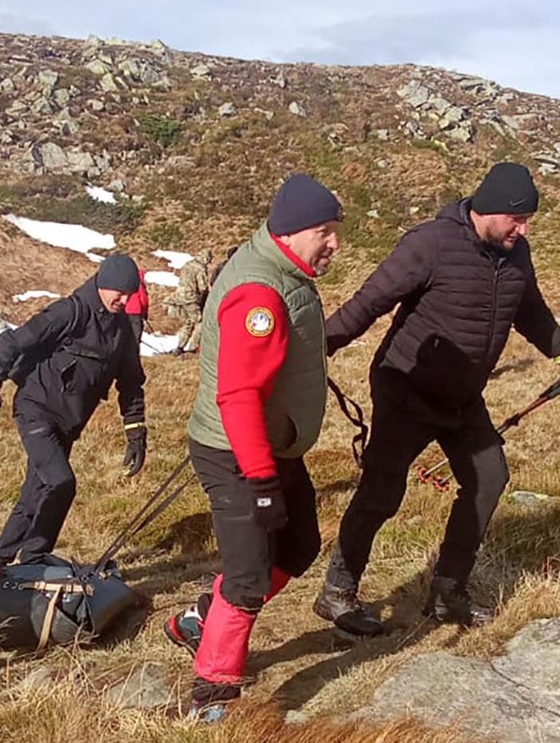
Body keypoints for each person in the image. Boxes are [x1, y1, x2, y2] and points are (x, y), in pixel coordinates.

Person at [312, 162, 560, 637]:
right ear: (490, 209)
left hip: (463, 396)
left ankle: (447, 592)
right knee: (383, 493)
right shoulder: (431, 244)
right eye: (517, 221)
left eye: (527, 223)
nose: (522, 231)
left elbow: (529, 309)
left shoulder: (516, 255)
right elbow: (369, 302)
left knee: (489, 478)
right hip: (406, 388)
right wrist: (315, 345)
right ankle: (337, 591)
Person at [163, 174, 343, 719]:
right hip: (239, 453)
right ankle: (212, 694)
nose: (334, 243)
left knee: (299, 545)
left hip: (271, 448)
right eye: (325, 231)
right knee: (246, 577)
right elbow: (238, 396)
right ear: (289, 233)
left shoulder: (284, 270)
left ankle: (200, 620)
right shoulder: (260, 294)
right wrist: (262, 481)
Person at [0, 254, 147, 577]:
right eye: (118, 293)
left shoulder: (122, 330)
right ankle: (34, 557)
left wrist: (136, 433)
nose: (123, 300)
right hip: (36, 410)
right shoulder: (70, 311)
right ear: (102, 283)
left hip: (69, 423)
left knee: (35, 493)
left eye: (129, 294)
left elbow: (131, 383)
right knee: (61, 482)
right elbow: (10, 342)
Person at [169, 248, 212, 355]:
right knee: (199, 322)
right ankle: (193, 347)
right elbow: (202, 286)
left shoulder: (187, 265)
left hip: (180, 297)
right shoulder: (200, 268)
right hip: (191, 298)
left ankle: (180, 346)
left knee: (188, 322)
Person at [124, 268, 150, 346]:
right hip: (136, 312)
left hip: (125, 312)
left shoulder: (126, 283)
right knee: (135, 335)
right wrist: (145, 313)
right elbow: (144, 300)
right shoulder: (139, 285)